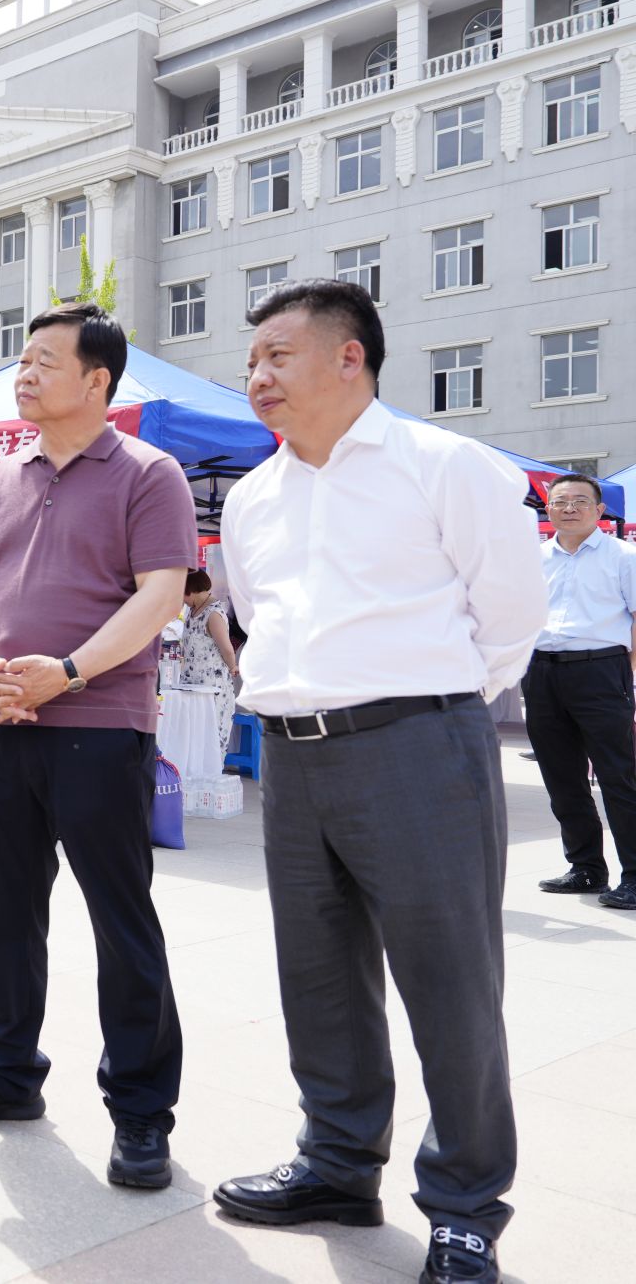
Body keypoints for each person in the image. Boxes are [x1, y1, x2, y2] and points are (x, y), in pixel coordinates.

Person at [211, 280, 545, 1284]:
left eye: (277, 355)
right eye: (251, 361)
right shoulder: (252, 497)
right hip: (291, 754)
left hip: (416, 749)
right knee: (316, 975)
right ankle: (337, 1162)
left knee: (449, 983)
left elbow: (509, 618)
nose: (257, 376)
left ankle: (464, 1206)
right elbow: (252, 618)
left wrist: (426, 708)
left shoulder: (445, 466)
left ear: (348, 356)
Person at [0, 302, 192, 1195]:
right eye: (23, 360)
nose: (26, 374)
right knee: (3, 911)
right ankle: (8, 1072)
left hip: (102, 725)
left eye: (46, 360)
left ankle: (141, 1112)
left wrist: (70, 671)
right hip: (3, 721)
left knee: (121, 921)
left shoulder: (149, 473)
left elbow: (161, 595)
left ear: (97, 379)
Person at [525, 473, 636, 908]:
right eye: (560, 501)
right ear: (548, 509)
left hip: (601, 672)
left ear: (599, 510)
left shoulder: (623, 556)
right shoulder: (533, 558)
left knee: (617, 776)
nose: (569, 508)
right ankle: (586, 868)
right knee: (562, 778)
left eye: (579, 501)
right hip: (542, 673)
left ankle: (634, 875)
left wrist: (626, 677)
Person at [178, 568, 239, 751]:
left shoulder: (213, 614)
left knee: (211, 739)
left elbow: (226, 649)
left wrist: (233, 667)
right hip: (191, 685)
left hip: (212, 687)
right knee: (192, 740)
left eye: (183, 594)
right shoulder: (192, 611)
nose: (182, 599)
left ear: (191, 590)